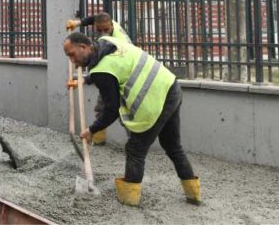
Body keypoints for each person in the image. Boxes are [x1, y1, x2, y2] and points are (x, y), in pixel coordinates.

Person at [63, 32, 200, 207]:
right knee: (173, 145)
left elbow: (111, 110)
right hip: (170, 87)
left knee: (135, 149)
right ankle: (193, 194)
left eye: (72, 54)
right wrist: (87, 79)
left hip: (155, 101)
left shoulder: (102, 71)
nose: (72, 60)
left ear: (83, 47)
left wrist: (92, 130)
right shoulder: (107, 42)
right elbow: (118, 68)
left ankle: (129, 200)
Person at [66, 12, 131, 145]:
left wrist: (83, 80)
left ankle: (135, 141)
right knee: (102, 107)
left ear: (112, 25)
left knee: (124, 112)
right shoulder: (108, 25)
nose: (103, 34)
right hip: (112, 74)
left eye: (106, 30)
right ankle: (98, 140)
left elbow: (104, 69)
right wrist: (77, 23)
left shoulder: (117, 42)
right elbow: (94, 19)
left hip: (125, 76)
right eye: (99, 30)